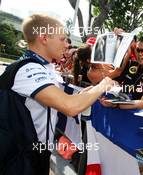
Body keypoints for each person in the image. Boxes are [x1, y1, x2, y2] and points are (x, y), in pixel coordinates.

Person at [9, 14, 115, 175]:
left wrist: (95, 88)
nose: (67, 44)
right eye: (62, 39)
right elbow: (70, 106)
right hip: (19, 155)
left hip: (36, 152)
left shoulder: (44, 68)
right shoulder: (29, 69)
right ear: (44, 38)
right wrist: (103, 85)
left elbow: (68, 99)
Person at [101, 35, 143, 109]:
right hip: (116, 106)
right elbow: (114, 81)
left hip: (136, 115)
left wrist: (116, 105)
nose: (140, 54)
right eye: (138, 50)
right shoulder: (130, 64)